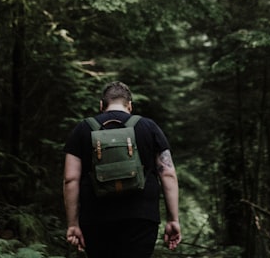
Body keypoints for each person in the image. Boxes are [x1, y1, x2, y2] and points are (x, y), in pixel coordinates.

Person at [63, 81, 182, 257]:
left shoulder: (83, 129)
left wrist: (73, 224)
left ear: (101, 105)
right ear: (130, 106)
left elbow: (70, 179)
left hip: (96, 218)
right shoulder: (149, 127)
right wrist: (173, 220)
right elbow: (168, 173)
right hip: (141, 216)